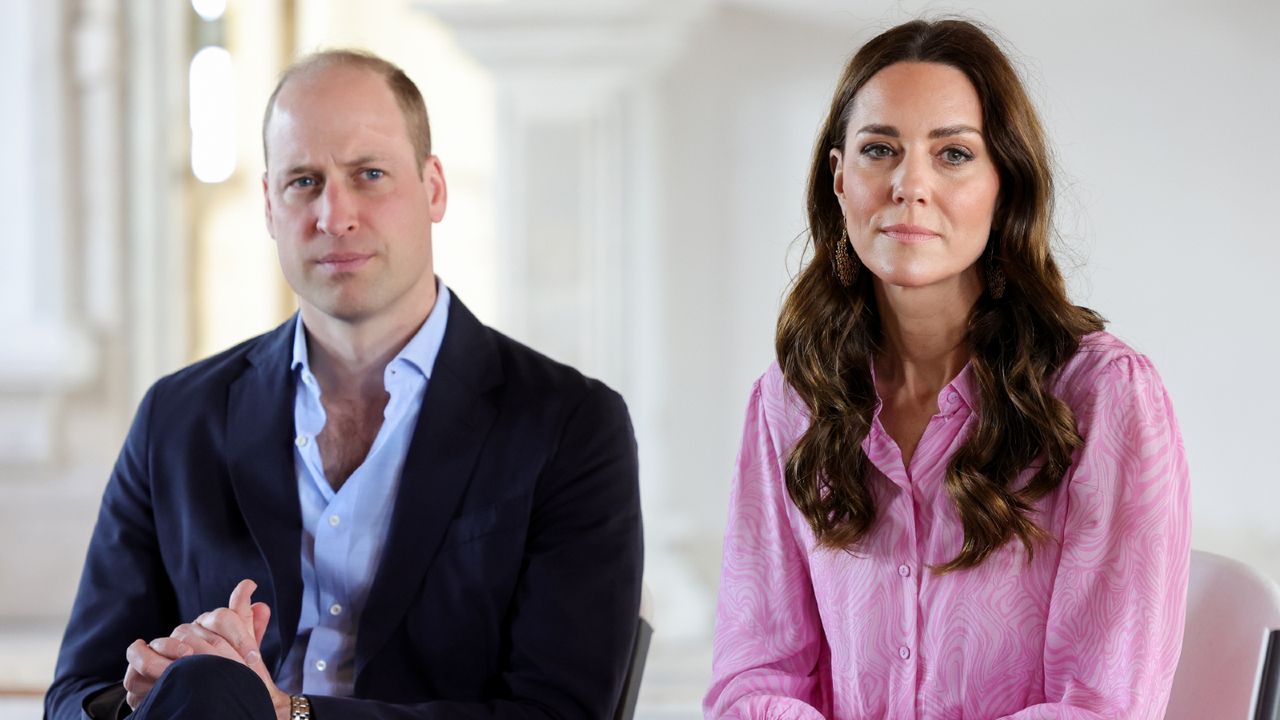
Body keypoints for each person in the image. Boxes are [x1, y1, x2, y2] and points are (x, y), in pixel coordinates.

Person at [45, 49, 643, 720]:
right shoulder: (177, 417)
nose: (335, 215)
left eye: (370, 174)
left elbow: (560, 714)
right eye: (303, 181)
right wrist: (145, 691)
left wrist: (286, 713)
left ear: (434, 187)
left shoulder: (568, 424)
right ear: (270, 207)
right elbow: (74, 698)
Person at [705, 19, 1189, 719]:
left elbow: (1101, 704)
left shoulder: (1106, 398)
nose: (910, 184)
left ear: (1005, 185)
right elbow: (753, 680)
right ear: (840, 179)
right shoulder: (789, 402)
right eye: (880, 150)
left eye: (953, 154)